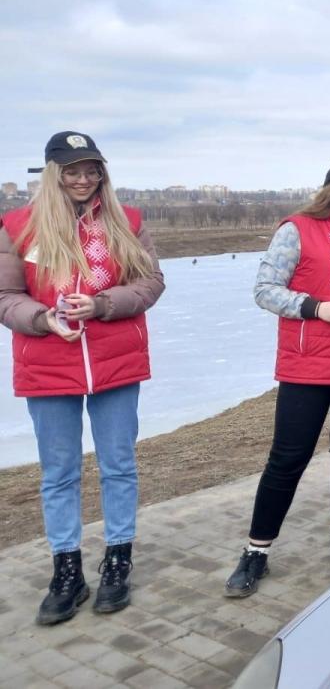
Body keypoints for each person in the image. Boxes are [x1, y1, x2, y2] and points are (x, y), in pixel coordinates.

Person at [0, 132, 164, 625]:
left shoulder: (126, 221)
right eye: (72, 170)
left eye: (92, 170)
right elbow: (5, 296)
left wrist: (104, 303)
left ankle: (118, 559)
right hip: (48, 364)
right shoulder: (18, 227)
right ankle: (66, 570)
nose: (83, 179)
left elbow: (151, 282)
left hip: (116, 362)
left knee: (118, 464)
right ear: (54, 173)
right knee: (59, 472)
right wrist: (42, 318)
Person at [224, 161, 330, 598]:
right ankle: (255, 551)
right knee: (287, 458)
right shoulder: (297, 229)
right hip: (309, 367)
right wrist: (315, 307)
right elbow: (265, 289)